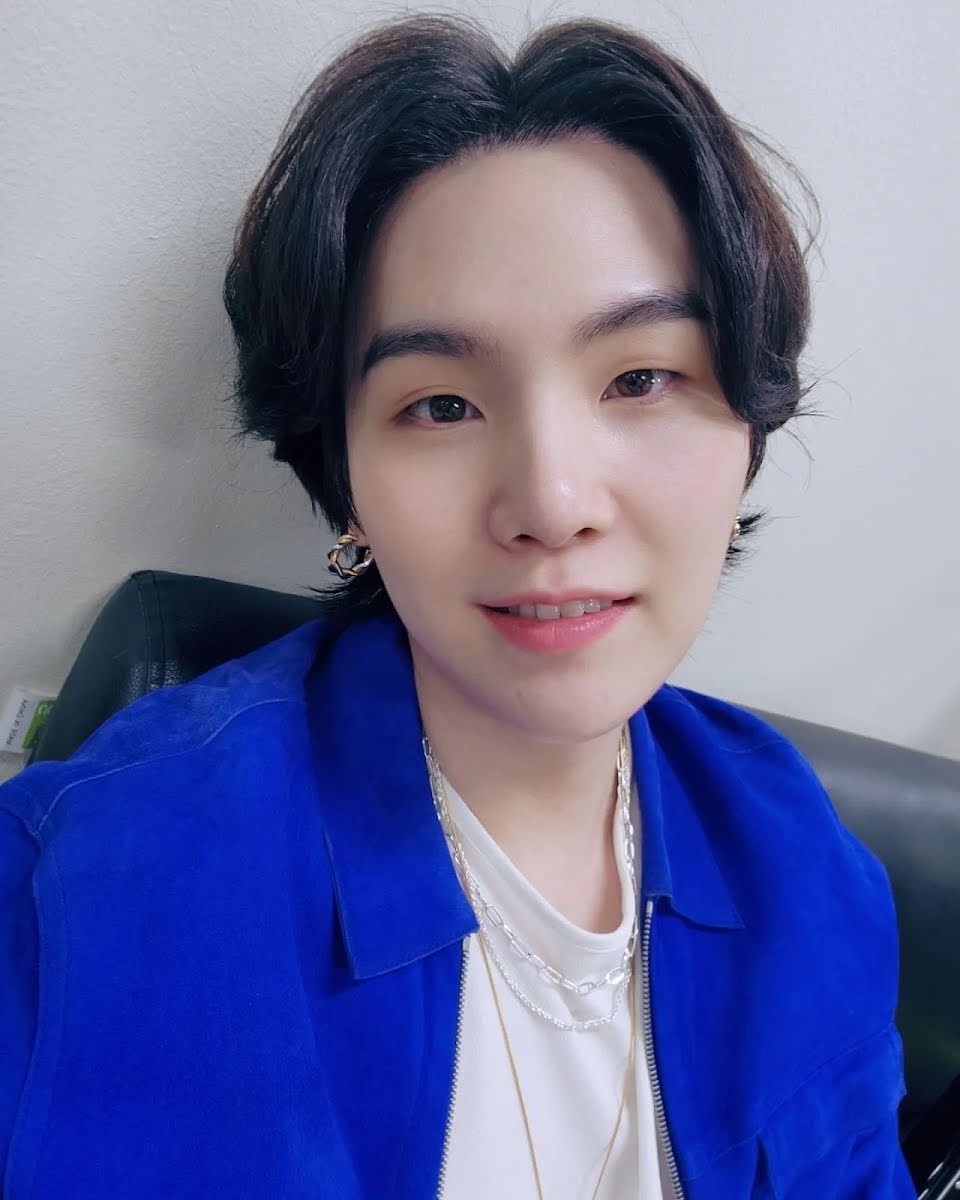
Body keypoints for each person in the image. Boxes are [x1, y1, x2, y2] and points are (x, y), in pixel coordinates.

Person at [0, 11, 914, 1198]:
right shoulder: (82, 894)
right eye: (441, 405)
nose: (551, 502)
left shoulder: (810, 869)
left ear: (747, 428)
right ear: (347, 482)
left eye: (642, 377)